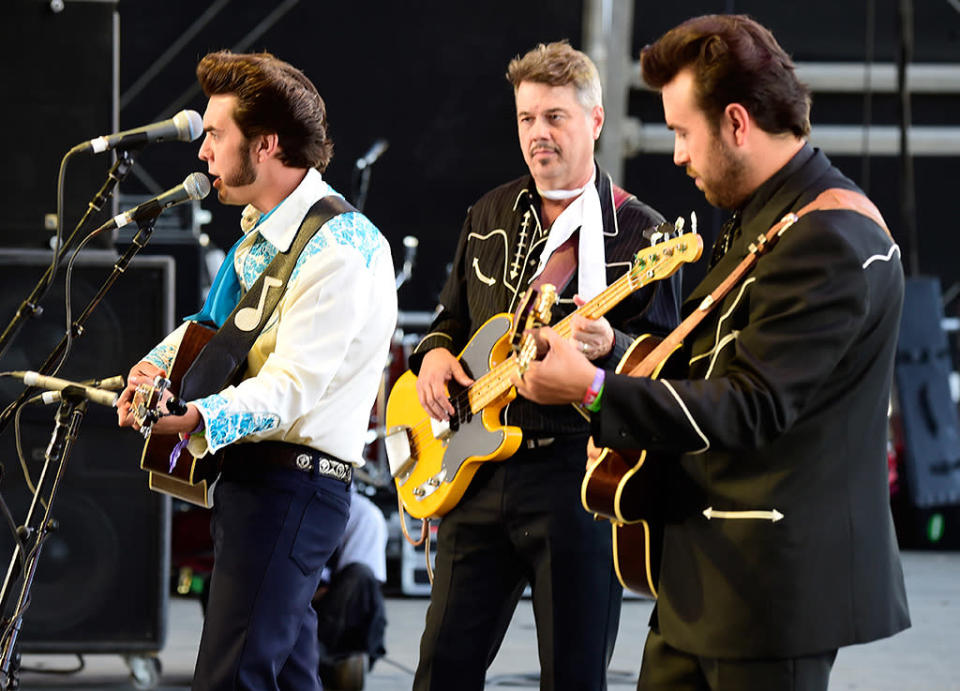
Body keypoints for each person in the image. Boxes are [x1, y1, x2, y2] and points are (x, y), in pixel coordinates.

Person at [515, 14, 910, 691]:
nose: (675, 155)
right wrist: (618, 351)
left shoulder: (829, 236)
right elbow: (717, 364)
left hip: (769, 591)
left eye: (681, 132)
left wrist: (592, 389)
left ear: (735, 122)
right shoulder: (771, 217)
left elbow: (753, 405)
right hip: (705, 580)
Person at [116, 50, 397, 691]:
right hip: (260, 486)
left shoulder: (342, 248)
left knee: (233, 676)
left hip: (292, 489)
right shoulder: (262, 236)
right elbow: (209, 331)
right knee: (284, 677)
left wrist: (197, 416)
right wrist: (150, 370)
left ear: (266, 144)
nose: (202, 152)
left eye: (215, 135)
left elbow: (293, 386)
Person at [410, 41, 681, 690]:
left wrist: (610, 347)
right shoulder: (487, 215)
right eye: (527, 118)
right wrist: (432, 356)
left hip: (580, 476)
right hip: (477, 472)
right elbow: (449, 318)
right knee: (439, 671)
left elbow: (672, 366)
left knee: (575, 676)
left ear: (594, 120)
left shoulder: (646, 235)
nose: (538, 133)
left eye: (555, 116)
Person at [313, 489, 389, 690]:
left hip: (328, 614)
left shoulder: (364, 514)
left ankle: (338, 661)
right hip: (288, 602)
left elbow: (361, 588)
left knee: (361, 577)